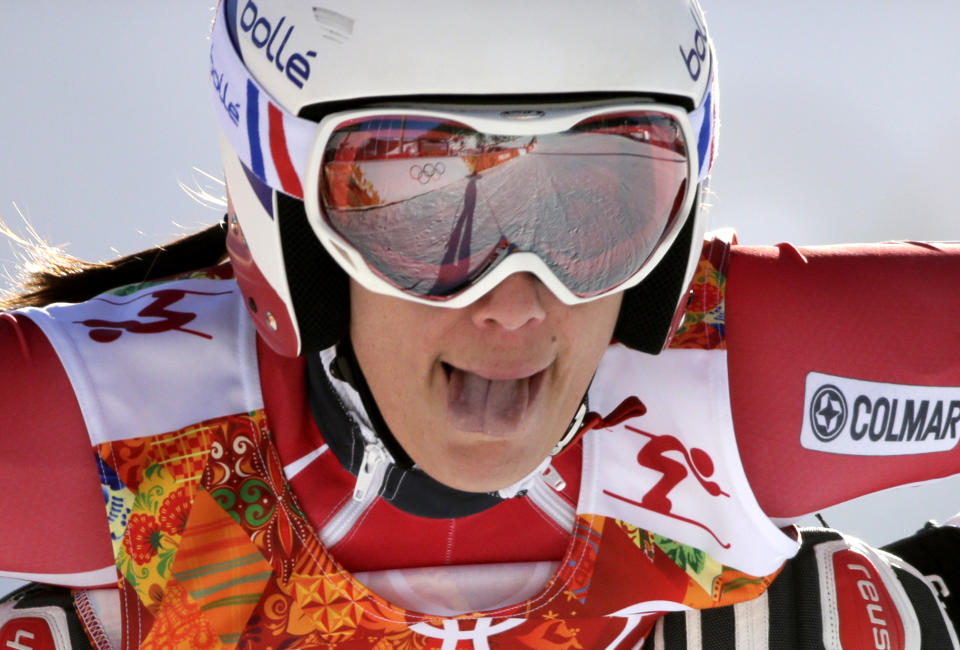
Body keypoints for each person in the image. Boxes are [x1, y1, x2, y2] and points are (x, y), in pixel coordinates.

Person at [0, 1, 959, 648]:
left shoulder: (717, 384)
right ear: (286, 227)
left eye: (596, 207)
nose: (515, 300)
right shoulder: (127, 436)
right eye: (423, 208)